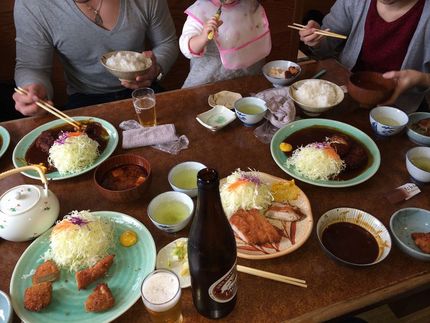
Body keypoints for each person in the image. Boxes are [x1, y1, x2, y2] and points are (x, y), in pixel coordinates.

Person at [13, 0, 179, 116]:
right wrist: (33, 91)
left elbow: (167, 42)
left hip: (145, 91)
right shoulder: (32, 4)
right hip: (85, 99)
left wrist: (155, 69)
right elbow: (32, 67)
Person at [299, 0, 430, 113]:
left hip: (399, 109)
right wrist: (316, 41)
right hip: (346, 94)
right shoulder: (354, 2)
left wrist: (421, 79)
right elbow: (325, 47)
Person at [179, 0, 271, 88]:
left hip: (248, 78)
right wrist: (203, 37)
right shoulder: (200, 9)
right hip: (210, 81)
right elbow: (187, 47)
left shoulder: (250, 4)